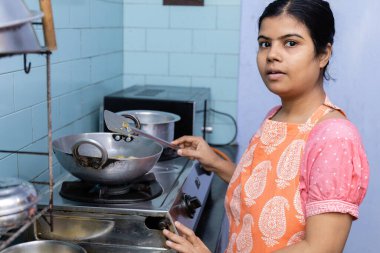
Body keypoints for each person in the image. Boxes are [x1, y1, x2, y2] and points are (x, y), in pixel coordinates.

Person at [162, 0, 370, 252]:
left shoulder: (334, 136)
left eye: (291, 43)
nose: (272, 54)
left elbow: (320, 247)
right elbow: (271, 190)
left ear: (323, 54)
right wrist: (216, 162)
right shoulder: (276, 115)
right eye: (265, 43)